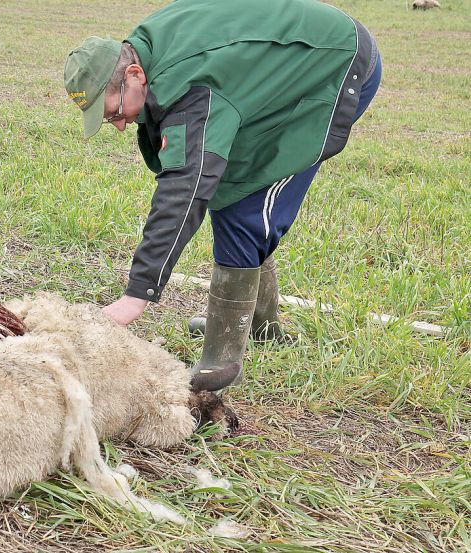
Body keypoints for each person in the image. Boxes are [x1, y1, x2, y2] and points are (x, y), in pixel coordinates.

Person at [64, 0, 381, 389]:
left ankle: (222, 360)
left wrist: (136, 296)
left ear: (133, 74)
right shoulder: (145, 52)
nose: (117, 126)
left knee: (244, 204)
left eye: (114, 113)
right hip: (287, 57)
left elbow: (186, 186)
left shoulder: (191, 88)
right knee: (226, 180)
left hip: (334, 66)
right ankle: (260, 326)